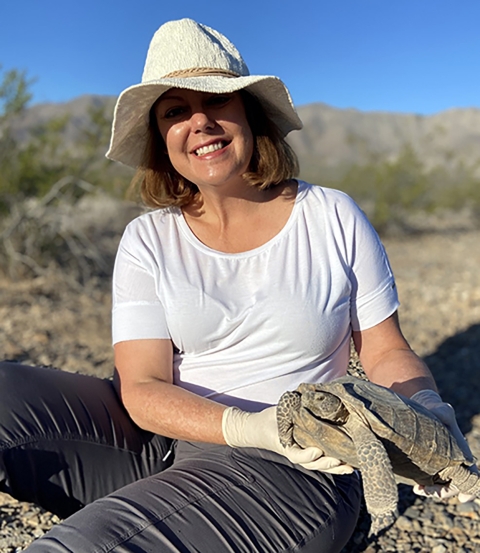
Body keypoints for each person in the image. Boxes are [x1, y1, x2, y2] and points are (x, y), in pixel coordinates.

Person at [0, 18, 476, 553]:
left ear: (249, 113)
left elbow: (387, 350)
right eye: (175, 111)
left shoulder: (331, 216)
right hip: (172, 442)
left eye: (216, 100)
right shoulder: (148, 239)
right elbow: (142, 386)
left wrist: (428, 408)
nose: (199, 122)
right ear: (162, 138)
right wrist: (252, 425)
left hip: (297, 464)